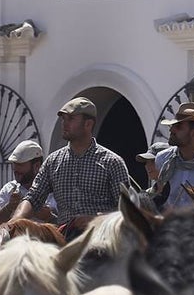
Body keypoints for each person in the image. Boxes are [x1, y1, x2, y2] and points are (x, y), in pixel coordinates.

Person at [11, 97, 130, 237]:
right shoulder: (53, 161)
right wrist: (14, 221)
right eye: (63, 119)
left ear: (88, 124)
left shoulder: (112, 162)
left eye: (71, 119)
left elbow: (127, 211)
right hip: (64, 239)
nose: (64, 124)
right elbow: (32, 198)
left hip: (102, 240)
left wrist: (96, 220)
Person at [0, 139, 55, 225]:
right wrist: (9, 208)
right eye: (14, 164)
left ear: (36, 166)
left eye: (20, 164)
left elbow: (65, 224)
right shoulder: (9, 189)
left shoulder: (52, 191)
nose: (15, 169)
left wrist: (49, 217)